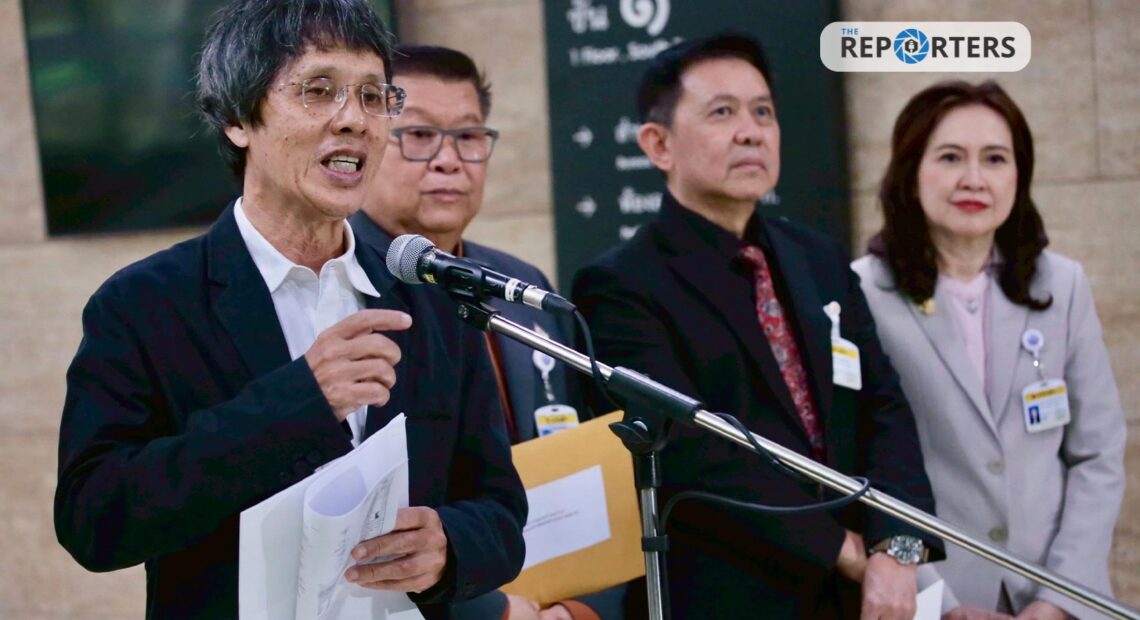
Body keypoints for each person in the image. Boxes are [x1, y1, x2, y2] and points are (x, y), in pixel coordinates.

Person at [53, 2, 526, 618]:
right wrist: (299, 402)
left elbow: (500, 512)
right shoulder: (144, 302)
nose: (354, 119)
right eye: (319, 90)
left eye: (373, 97)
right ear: (237, 119)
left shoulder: (431, 297)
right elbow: (94, 521)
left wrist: (448, 548)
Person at [571, 34, 944, 619]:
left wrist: (896, 544)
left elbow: (883, 406)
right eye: (722, 112)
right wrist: (838, 549)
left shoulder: (818, 259)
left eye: (763, 112)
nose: (751, 132)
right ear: (658, 144)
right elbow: (689, 453)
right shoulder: (619, 285)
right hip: (726, 596)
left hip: (858, 598)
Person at [353, 45, 627, 620]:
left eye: (469, 137)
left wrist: (579, 607)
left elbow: (583, 462)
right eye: (419, 135)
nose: (449, 161)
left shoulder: (521, 284)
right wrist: (494, 612)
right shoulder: (340, 286)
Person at [852, 80, 1126, 620]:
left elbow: (1097, 454)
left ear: (1019, 175)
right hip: (934, 595)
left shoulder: (1062, 285)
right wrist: (939, 604)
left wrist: (1059, 599)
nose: (973, 179)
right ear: (910, 172)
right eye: (950, 157)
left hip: (1056, 596)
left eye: (995, 158)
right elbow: (858, 464)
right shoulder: (863, 291)